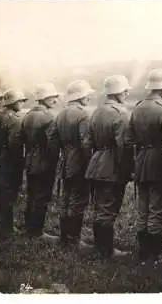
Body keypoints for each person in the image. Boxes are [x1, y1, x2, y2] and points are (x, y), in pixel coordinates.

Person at [125, 69, 162, 265]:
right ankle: (154, 256)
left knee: (143, 209)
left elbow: (129, 139)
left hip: (141, 161)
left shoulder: (138, 108)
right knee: (158, 210)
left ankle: (143, 253)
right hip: (159, 164)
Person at [84, 75, 134, 259]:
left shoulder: (97, 111)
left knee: (99, 206)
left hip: (96, 162)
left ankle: (99, 246)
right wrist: (127, 169)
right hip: (111, 164)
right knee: (108, 208)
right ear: (117, 92)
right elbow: (124, 146)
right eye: (124, 91)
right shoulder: (120, 113)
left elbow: (87, 142)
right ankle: (106, 250)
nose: (127, 93)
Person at [48, 80, 95, 248]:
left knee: (65, 198)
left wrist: (61, 155)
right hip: (79, 161)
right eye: (87, 95)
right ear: (81, 96)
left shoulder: (60, 114)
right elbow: (86, 143)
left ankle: (63, 236)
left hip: (65, 160)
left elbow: (52, 140)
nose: (89, 97)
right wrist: (89, 162)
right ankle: (74, 238)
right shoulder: (83, 114)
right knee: (78, 199)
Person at [20, 83, 61, 241]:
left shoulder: (28, 114)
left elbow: (23, 138)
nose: (55, 100)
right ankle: (37, 231)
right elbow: (52, 144)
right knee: (42, 195)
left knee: (31, 194)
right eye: (52, 97)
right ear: (43, 98)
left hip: (30, 159)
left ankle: (29, 227)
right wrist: (54, 161)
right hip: (44, 160)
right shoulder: (48, 117)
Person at [0, 89, 28, 242]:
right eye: (20, 101)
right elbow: (14, 144)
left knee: (0, 194)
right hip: (10, 163)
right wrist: (19, 162)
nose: (22, 104)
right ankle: (6, 230)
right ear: (13, 102)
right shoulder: (14, 120)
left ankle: (1, 226)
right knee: (8, 196)